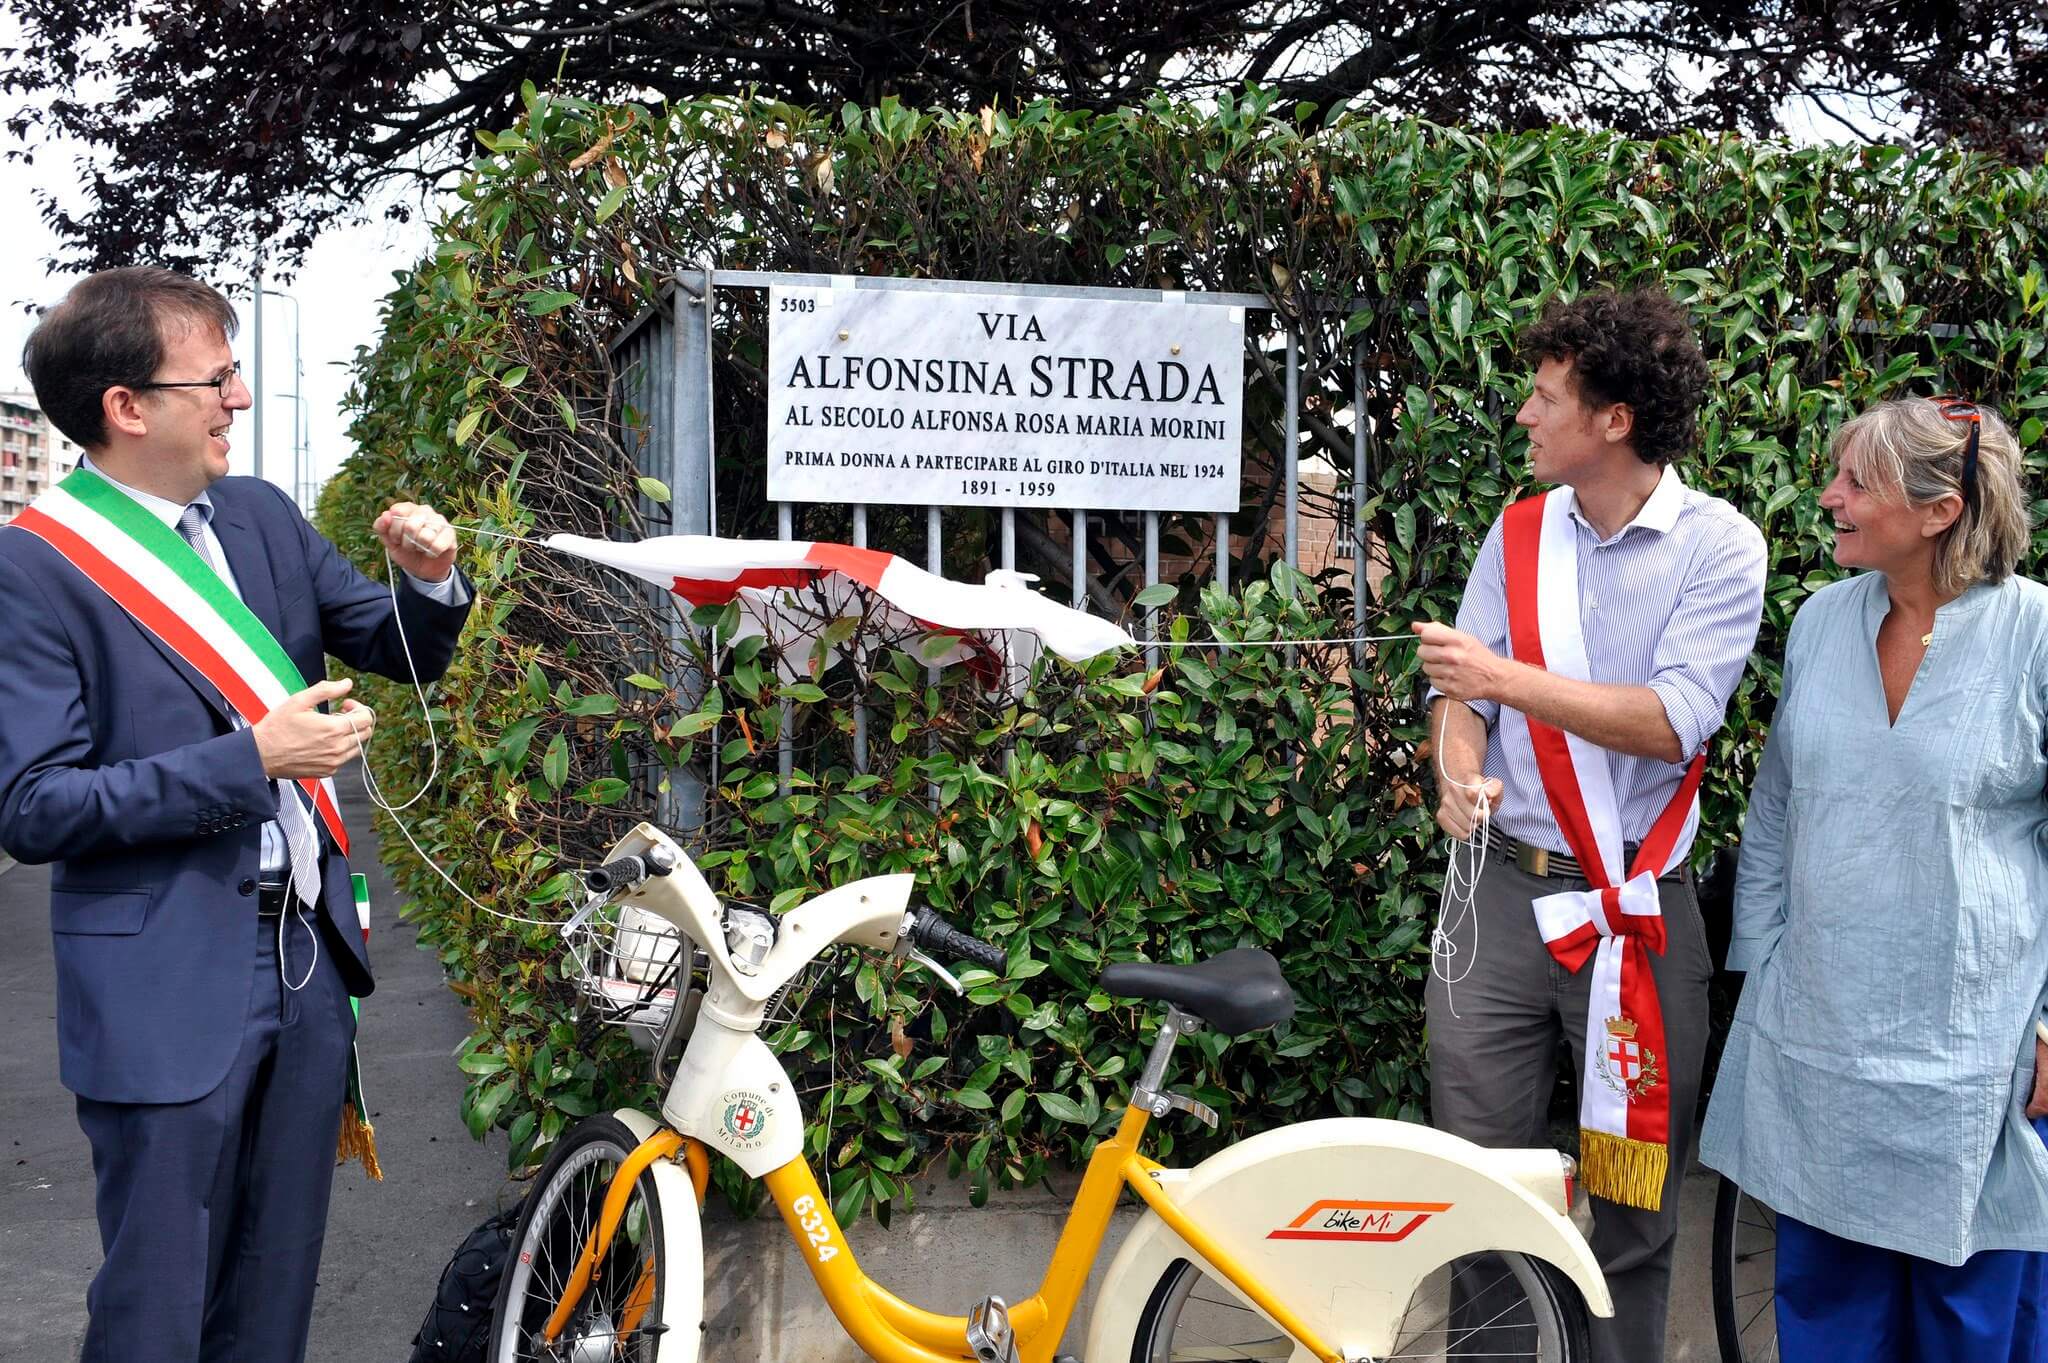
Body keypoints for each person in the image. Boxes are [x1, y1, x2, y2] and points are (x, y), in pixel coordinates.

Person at [0, 267, 474, 1363]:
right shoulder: (34, 567)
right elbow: (31, 805)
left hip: (305, 960)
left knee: (273, 1291)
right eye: (215, 377)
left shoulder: (258, 515)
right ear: (127, 406)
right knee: (157, 1309)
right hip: (161, 982)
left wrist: (433, 581)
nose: (240, 399)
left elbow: (397, 648)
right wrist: (248, 759)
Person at [1413, 285, 1765, 1363]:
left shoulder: (1719, 547)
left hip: (1638, 911)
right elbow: (1460, 699)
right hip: (1500, 898)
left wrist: (1495, 677)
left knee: (1632, 1203)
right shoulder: (1516, 534)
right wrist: (1453, 769)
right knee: (1476, 1187)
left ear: (1613, 418)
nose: (1522, 413)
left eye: (1544, 394)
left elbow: (1670, 723)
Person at [1699, 397, 2048, 1362]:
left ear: (1939, 510)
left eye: (1857, 481)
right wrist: (1760, 966)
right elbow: (1775, 810)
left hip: (1975, 1049)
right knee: (1826, 1308)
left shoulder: (2036, 635)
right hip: (1822, 1042)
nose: (1830, 497)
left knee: (1969, 1317)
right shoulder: (1820, 622)